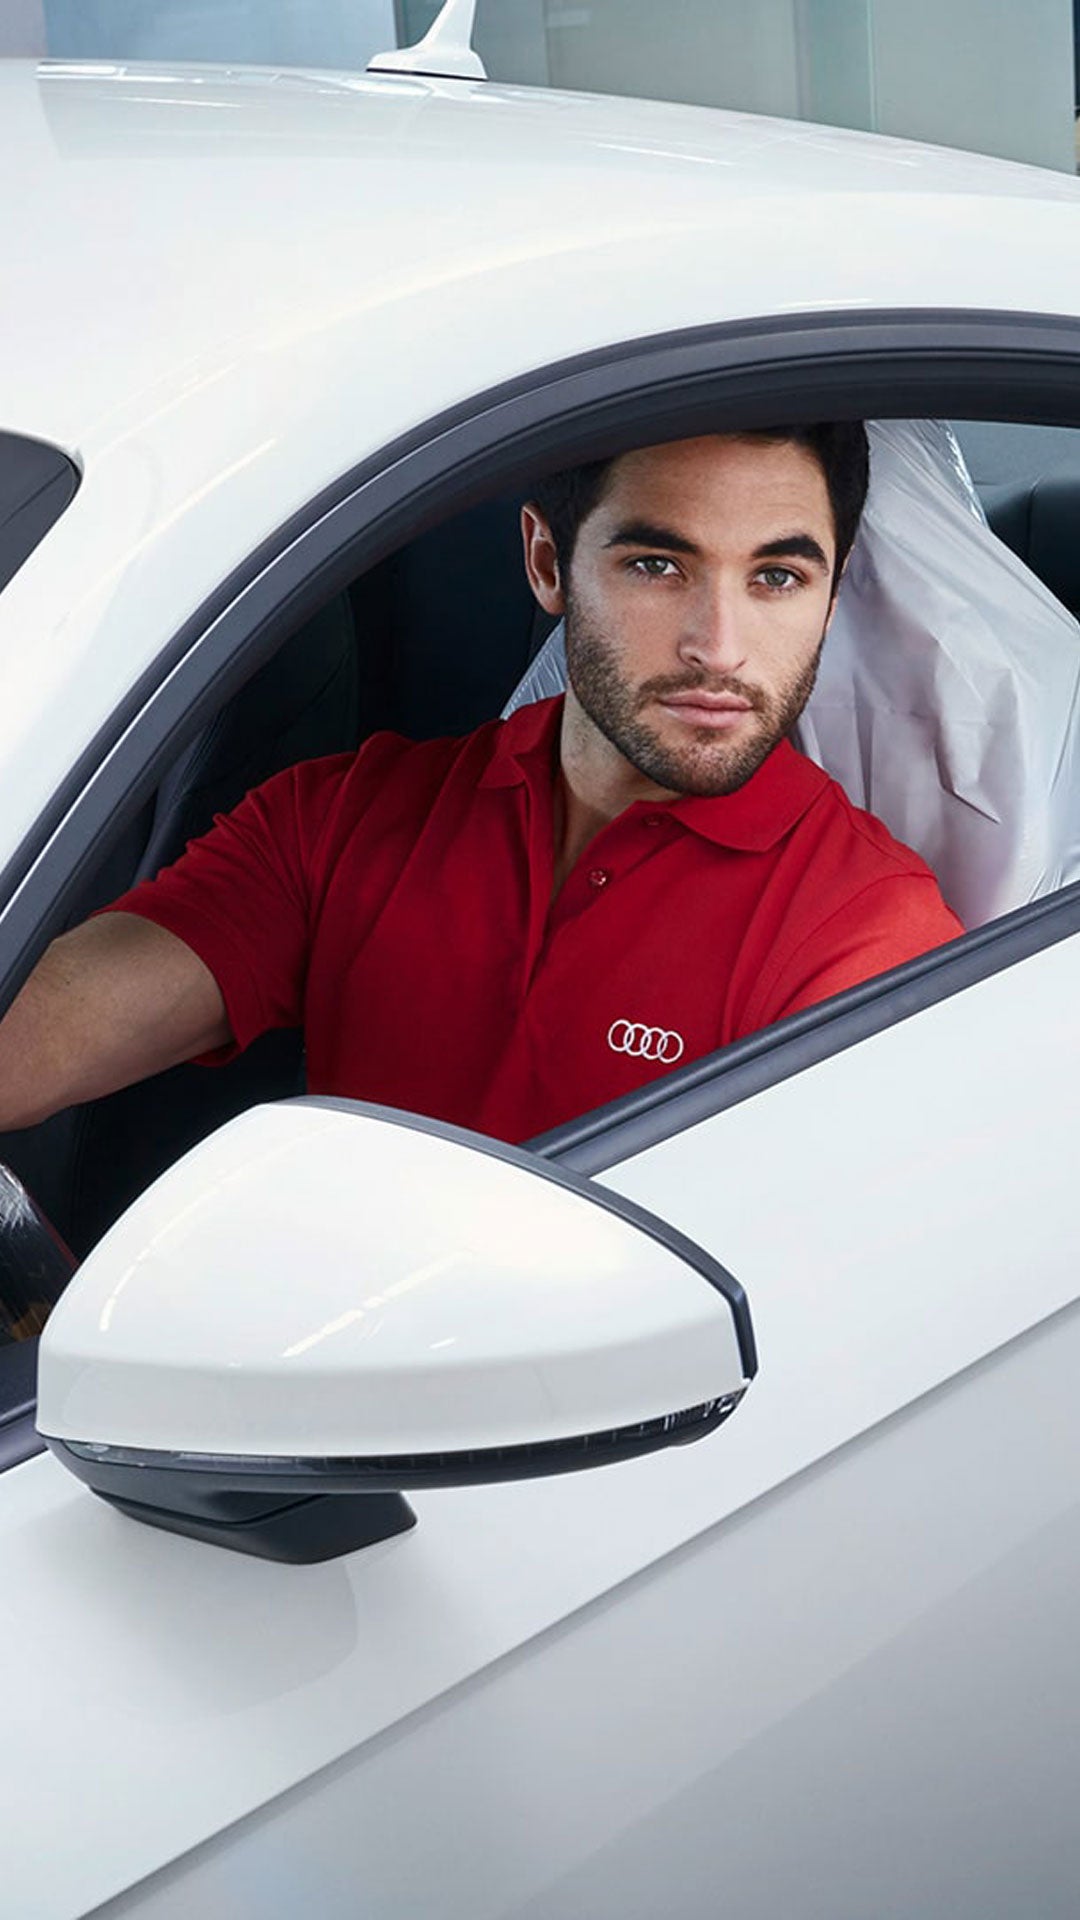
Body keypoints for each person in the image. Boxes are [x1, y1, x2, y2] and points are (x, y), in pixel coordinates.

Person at [0, 426, 961, 1142]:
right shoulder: (345, 818)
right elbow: (35, 1039)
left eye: (777, 579)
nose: (718, 645)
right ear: (548, 562)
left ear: (833, 594)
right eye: (658, 565)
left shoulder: (869, 938)